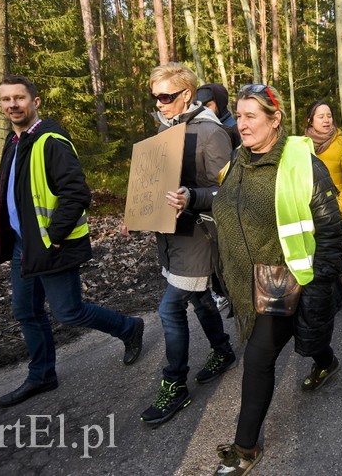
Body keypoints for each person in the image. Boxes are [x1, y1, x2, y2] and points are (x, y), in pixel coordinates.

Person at [212, 84, 342, 475]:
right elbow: (227, 200)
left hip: (282, 280)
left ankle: (246, 447)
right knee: (308, 341)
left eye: (251, 116)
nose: (242, 124)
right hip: (242, 277)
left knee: (257, 358)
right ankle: (327, 361)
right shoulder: (239, 159)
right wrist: (193, 197)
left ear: (275, 120)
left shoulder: (303, 164)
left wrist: (319, 289)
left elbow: (330, 233)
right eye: (238, 116)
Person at [0, 75, 144, 408]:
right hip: (23, 244)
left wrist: (53, 239)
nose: (13, 105)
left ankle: (129, 328)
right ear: (0, 104)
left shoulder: (50, 140)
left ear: (35, 101)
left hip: (48, 243)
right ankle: (42, 374)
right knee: (26, 311)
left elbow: (77, 194)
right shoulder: (13, 142)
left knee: (68, 311)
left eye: (19, 98)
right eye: (6, 99)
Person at [123, 63, 236, 426]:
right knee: (200, 298)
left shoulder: (210, 133)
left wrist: (193, 196)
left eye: (166, 96)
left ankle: (175, 385)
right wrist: (137, 212)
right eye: (155, 96)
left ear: (186, 94)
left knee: (170, 310)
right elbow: (155, 184)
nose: (159, 103)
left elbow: (230, 191)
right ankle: (223, 350)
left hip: (199, 237)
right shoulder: (165, 127)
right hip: (169, 237)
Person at [304, 100, 342, 228]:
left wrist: (340, 208)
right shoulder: (302, 146)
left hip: (333, 216)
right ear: (310, 120)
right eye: (321, 117)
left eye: (329, 116)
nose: (326, 120)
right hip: (309, 216)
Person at [197, 82, 241, 148]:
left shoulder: (236, 130)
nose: (203, 110)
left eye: (207, 106)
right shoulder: (200, 128)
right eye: (200, 107)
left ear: (220, 103)